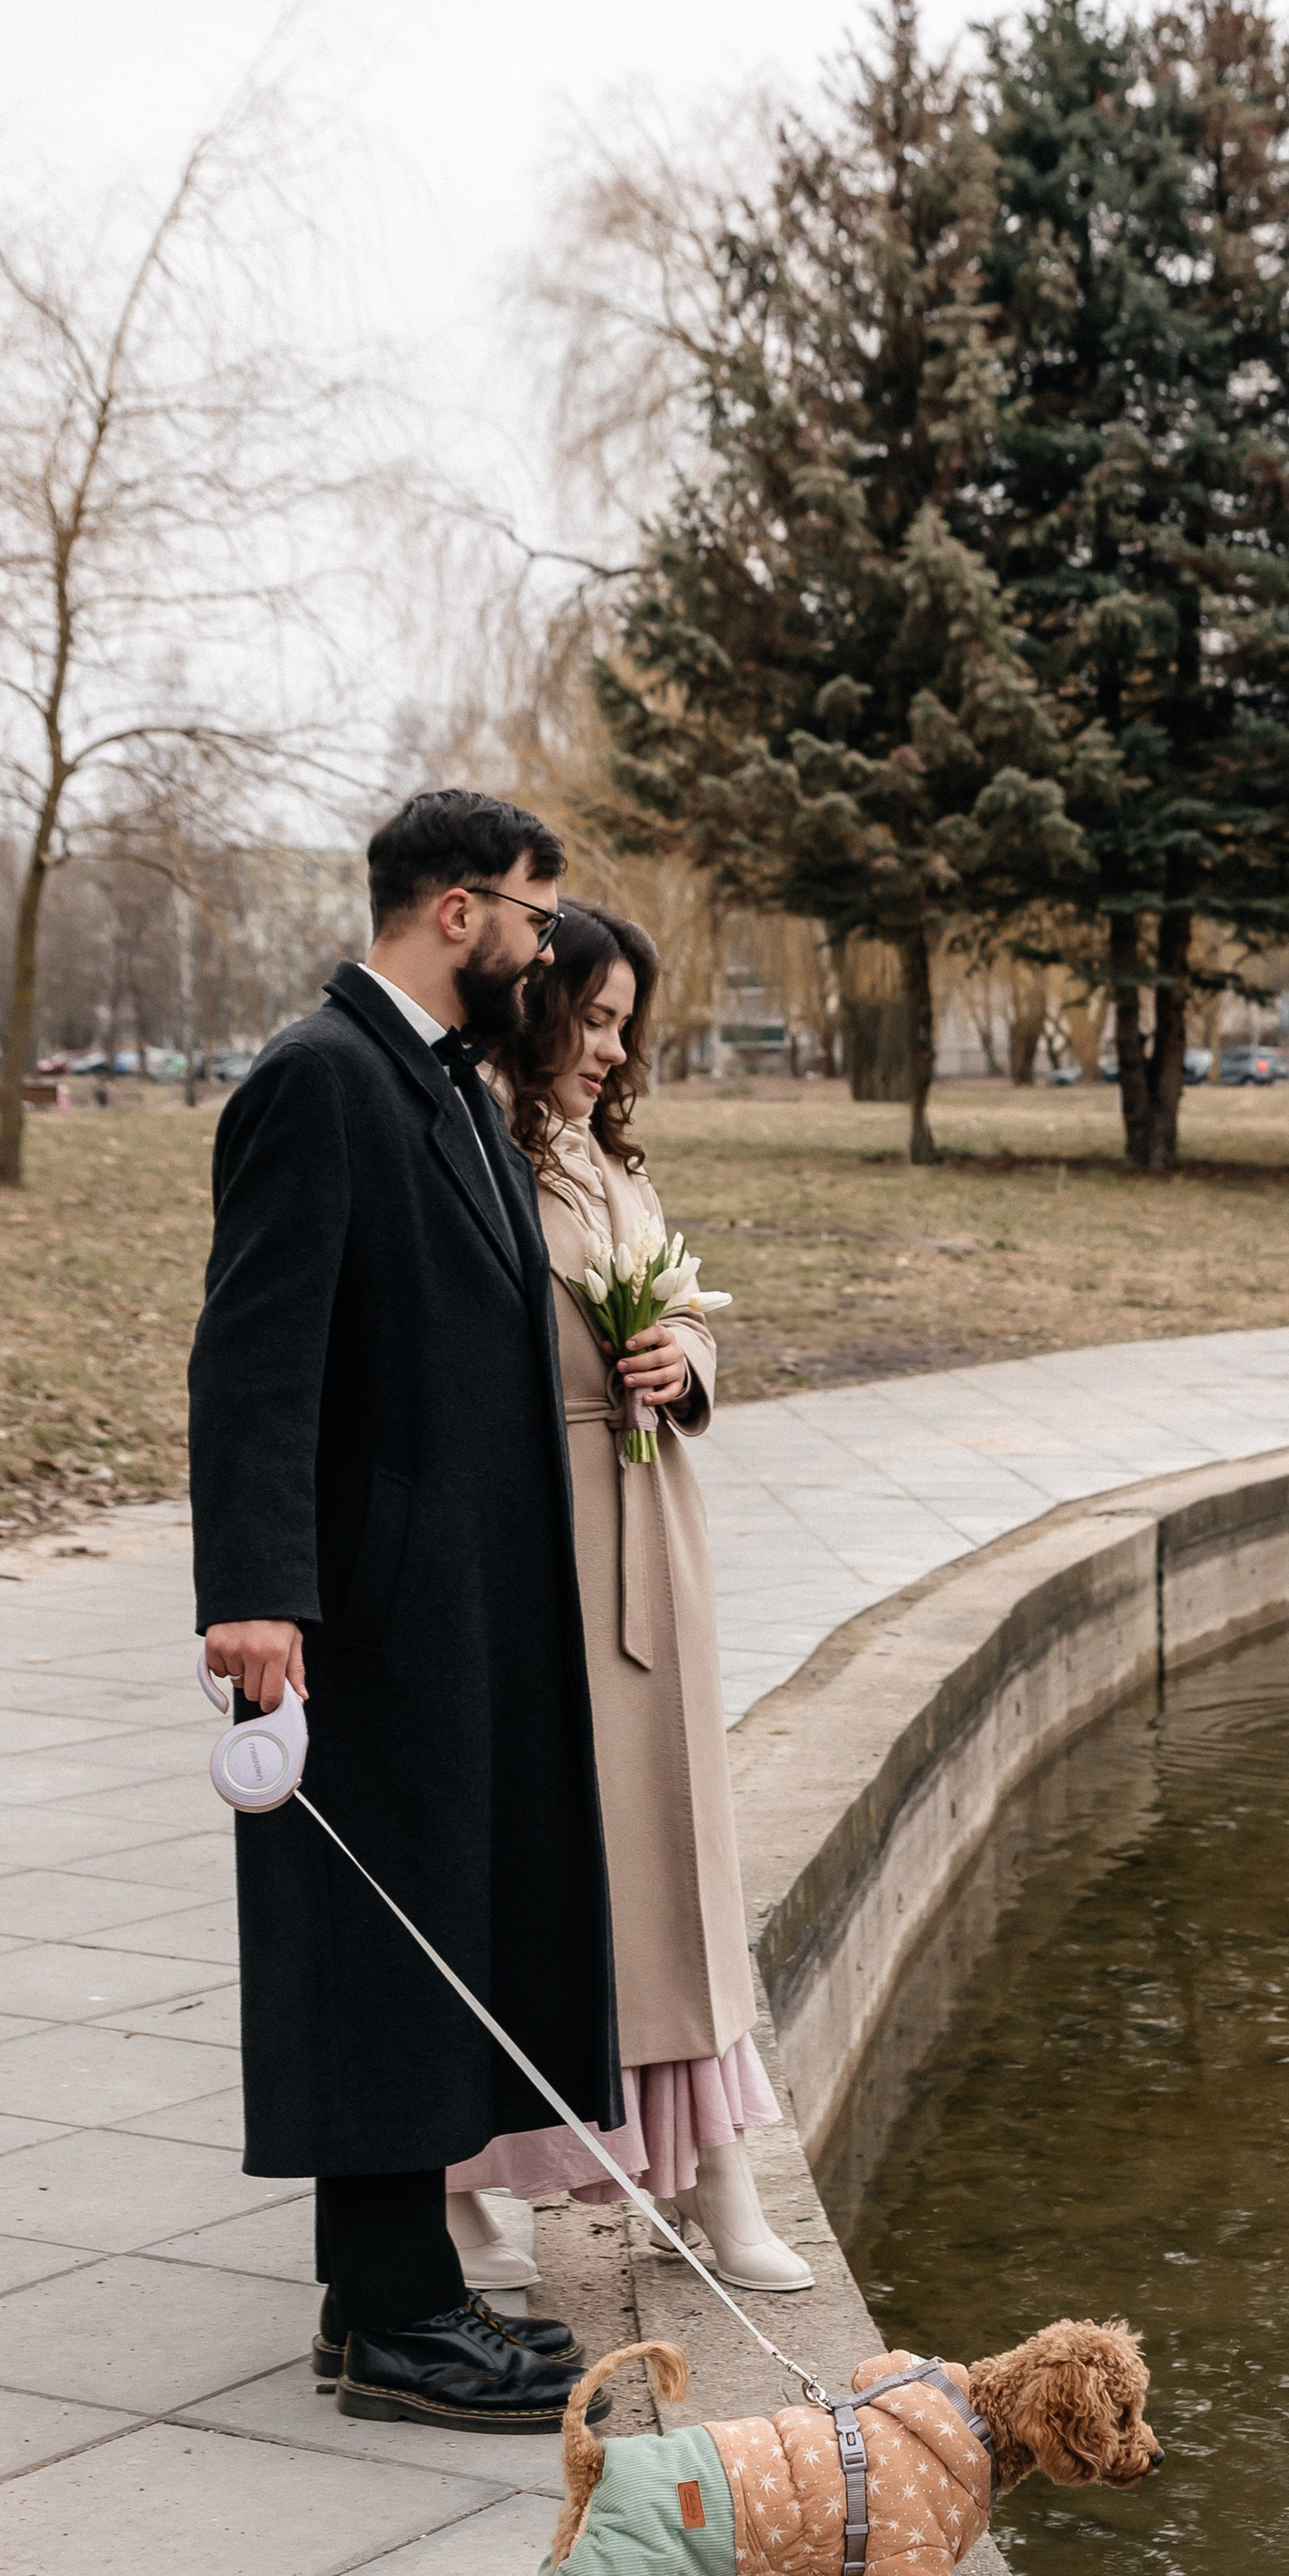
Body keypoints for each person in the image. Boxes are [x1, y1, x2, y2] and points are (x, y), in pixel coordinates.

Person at [188, 789, 623, 2431]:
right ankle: (392, 2321)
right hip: (365, 1613)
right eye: (530, 909)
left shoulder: (436, 1080)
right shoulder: (321, 1079)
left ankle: (394, 2289)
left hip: (460, 1603)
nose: (546, 942)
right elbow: (252, 1357)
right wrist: (256, 1598)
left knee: (430, 1938)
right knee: (374, 1948)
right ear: (455, 911)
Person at [442, 901, 811, 2293]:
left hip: (657, 1532)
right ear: (537, 1007)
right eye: (590, 1018)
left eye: (623, 1025)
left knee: (683, 1862)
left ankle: (721, 2182)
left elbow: (683, 1303)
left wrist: (682, 1354)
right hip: (544, 1540)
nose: (610, 1048)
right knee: (556, 1867)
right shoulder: (475, 1140)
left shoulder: (607, 1157)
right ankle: (486, 2193)